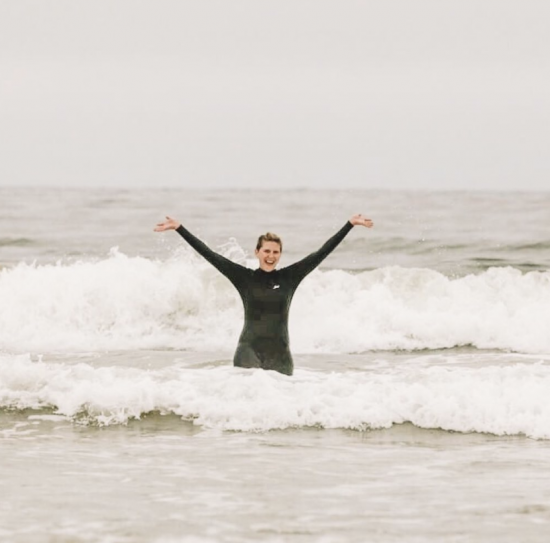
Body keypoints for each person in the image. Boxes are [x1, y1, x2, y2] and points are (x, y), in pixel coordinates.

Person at [154, 214, 373, 375]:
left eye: (275, 252)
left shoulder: (290, 277)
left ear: (280, 255)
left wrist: (349, 225)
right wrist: (179, 228)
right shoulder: (243, 277)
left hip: (281, 355)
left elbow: (321, 253)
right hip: (248, 351)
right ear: (257, 252)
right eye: (266, 251)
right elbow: (209, 254)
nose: (271, 255)